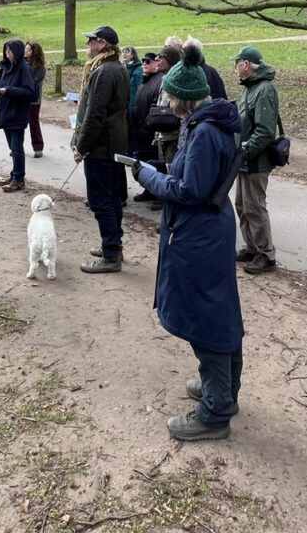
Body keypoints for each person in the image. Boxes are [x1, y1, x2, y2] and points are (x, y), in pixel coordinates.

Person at [133, 44, 244, 441]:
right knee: (219, 308)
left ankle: (215, 412)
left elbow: (189, 189)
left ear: (183, 97)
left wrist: (147, 176)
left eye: (169, 95)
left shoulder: (203, 132)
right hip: (210, 229)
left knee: (205, 317)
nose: (166, 100)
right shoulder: (213, 123)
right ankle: (224, 388)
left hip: (198, 233)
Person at [72, 25, 130, 273]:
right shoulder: (116, 68)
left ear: (103, 44)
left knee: (102, 200)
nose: (88, 46)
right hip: (112, 144)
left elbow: (96, 114)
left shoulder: (105, 71)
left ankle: (110, 255)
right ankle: (114, 246)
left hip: (102, 147)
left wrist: (81, 146)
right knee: (113, 198)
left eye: (92, 41)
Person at [232, 45, 280, 275]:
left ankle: (266, 254)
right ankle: (252, 247)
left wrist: (246, 150)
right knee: (242, 205)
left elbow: (265, 130)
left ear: (246, 65)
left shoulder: (264, 89)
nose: (235, 68)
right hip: (244, 159)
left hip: (255, 160)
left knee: (255, 207)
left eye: (237, 63)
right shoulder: (251, 88)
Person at [0, 39, 34, 192]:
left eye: (10, 51)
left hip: (17, 113)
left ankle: (19, 178)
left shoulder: (24, 68)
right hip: (5, 112)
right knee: (12, 148)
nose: (7, 54)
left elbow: (29, 92)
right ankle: (14, 174)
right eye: (6, 51)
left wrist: (8, 91)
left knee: (16, 148)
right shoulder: (5, 67)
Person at [130, 52, 162, 202]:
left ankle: (157, 192)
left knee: (153, 163)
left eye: (148, 61)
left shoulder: (158, 81)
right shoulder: (144, 82)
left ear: (157, 64)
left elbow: (156, 108)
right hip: (141, 131)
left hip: (150, 131)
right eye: (143, 61)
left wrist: (146, 125)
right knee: (143, 162)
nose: (145, 64)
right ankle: (148, 189)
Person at [152, 46, 182, 166]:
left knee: (173, 174)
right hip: (162, 137)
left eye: (160, 57)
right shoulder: (164, 80)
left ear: (170, 60)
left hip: (175, 138)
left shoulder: (178, 80)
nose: (156, 59)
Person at [24, 41, 47, 159]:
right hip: (22, 97)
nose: (25, 52)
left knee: (33, 122)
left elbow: (36, 82)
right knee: (19, 122)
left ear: (34, 52)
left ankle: (38, 147)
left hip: (33, 99)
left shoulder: (39, 66)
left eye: (28, 50)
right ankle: (17, 146)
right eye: (25, 49)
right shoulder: (22, 64)